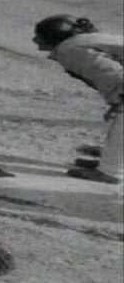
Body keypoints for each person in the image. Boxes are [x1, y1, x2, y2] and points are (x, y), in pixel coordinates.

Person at [32, 15, 123, 184]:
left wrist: (119, 101)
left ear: (52, 38)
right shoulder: (82, 41)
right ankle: (111, 163)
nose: (34, 40)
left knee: (121, 127)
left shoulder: (69, 49)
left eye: (39, 36)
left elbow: (113, 75)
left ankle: (110, 172)